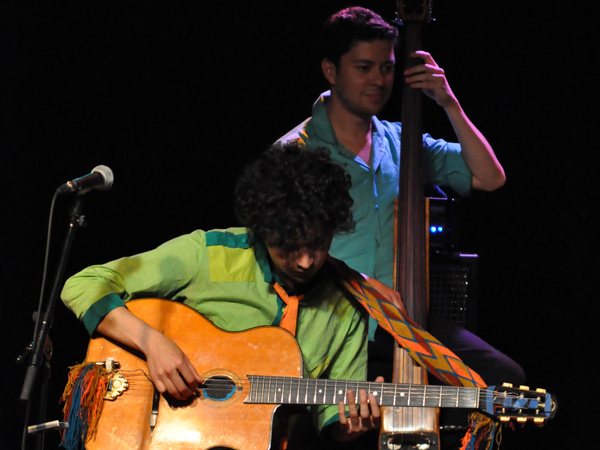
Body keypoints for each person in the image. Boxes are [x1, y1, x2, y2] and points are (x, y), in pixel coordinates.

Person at [275, 6, 525, 448]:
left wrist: (447, 100)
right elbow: (277, 254)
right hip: (334, 327)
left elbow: (490, 176)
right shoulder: (296, 151)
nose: (379, 80)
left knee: (504, 384)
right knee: (338, 430)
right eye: (364, 68)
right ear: (330, 70)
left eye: (387, 68)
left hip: (407, 325)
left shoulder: (400, 140)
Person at [61, 145, 388, 448]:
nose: (305, 261)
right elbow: (83, 284)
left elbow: (333, 419)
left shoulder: (348, 305)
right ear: (263, 228)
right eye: (289, 246)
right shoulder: (208, 254)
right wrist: (152, 342)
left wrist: (352, 426)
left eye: (318, 244)